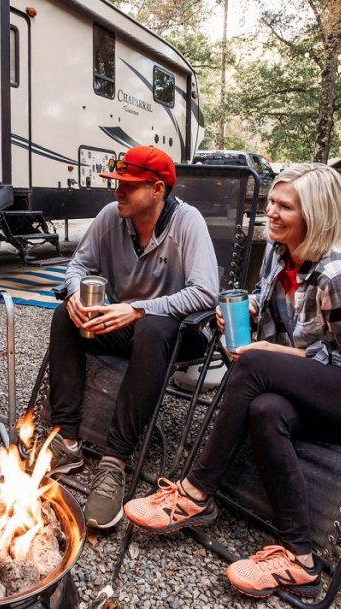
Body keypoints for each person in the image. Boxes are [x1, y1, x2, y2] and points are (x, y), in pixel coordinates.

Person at [122, 163, 341, 599]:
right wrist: (250, 309)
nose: (271, 213)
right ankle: (300, 560)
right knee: (266, 408)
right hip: (327, 387)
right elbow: (268, 302)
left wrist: (273, 353)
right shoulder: (279, 253)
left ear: (315, 215)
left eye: (285, 207)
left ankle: (195, 492)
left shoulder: (340, 277)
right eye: (271, 203)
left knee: (256, 364)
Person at [45, 145, 219, 530]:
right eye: (117, 183)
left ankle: (114, 462)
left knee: (154, 327)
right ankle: (68, 441)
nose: (117, 191)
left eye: (128, 185)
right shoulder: (112, 216)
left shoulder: (187, 222)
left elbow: (206, 293)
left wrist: (139, 309)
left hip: (181, 334)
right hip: (128, 325)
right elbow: (78, 265)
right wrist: (74, 294)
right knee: (65, 317)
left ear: (157, 189)